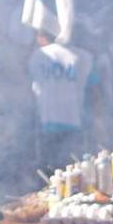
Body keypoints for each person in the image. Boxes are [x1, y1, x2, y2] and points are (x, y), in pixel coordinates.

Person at [29, 31, 97, 172]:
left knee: (54, 175)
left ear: (42, 36)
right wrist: (97, 120)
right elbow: (94, 89)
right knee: (77, 172)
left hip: (47, 124)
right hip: (75, 121)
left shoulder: (36, 57)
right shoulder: (84, 56)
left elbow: (29, 87)